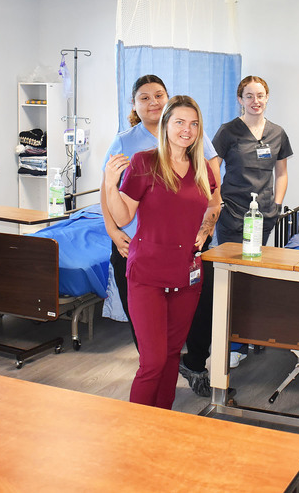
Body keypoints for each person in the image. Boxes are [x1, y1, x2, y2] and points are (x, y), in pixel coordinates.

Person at [98, 75, 221, 396]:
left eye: (194, 124)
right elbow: (123, 215)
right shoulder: (143, 161)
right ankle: (136, 437)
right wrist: (110, 185)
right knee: (152, 361)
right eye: (180, 121)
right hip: (147, 273)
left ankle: (160, 430)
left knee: (169, 357)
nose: (187, 130)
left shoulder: (202, 169)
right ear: (166, 124)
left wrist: (206, 229)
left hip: (187, 275)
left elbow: (215, 202)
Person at [212, 75, 293, 368]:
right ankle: (232, 344)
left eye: (260, 95)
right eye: (249, 96)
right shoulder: (228, 131)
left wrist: (278, 203)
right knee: (232, 276)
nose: (255, 101)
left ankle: (246, 336)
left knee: (251, 277)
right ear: (240, 99)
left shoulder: (277, 133)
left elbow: (281, 173)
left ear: (267, 97)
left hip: (263, 216)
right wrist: (216, 201)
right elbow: (211, 169)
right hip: (232, 212)